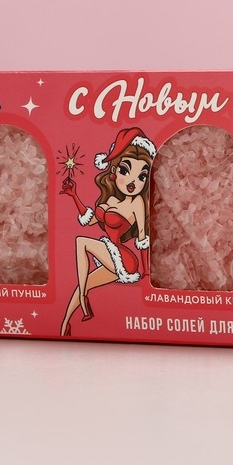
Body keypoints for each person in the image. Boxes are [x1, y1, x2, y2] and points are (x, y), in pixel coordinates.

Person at [60, 128, 155, 336]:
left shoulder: (137, 203)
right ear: (114, 170)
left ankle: (84, 300)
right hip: (110, 251)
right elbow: (91, 220)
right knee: (81, 284)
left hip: (124, 259)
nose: (133, 181)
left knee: (81, 242)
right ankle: (65, 325)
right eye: (125, 171)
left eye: (142, 176)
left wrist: (147, 274)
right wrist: (74, 196)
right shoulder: (110, 199)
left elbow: (142, 238)